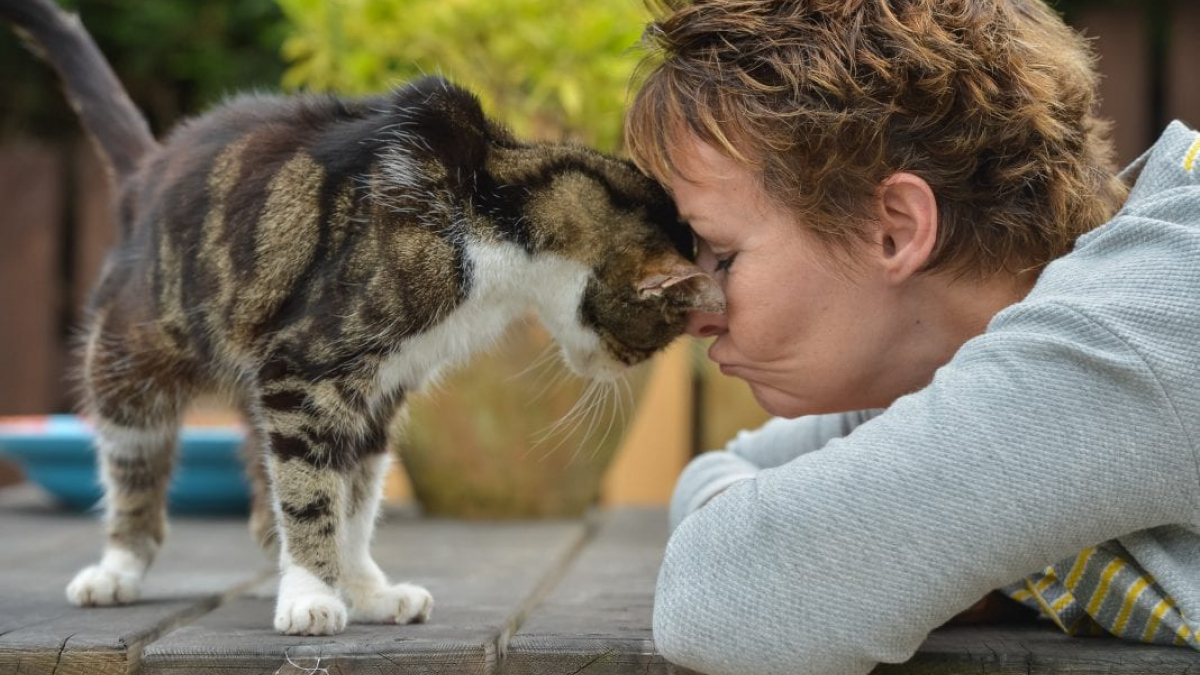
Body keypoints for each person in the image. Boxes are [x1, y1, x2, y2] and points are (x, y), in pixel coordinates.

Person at [622, 0, 1200, 674]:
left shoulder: (1131, 326)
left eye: (722, 254)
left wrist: (860, 549)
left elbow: (719, 596)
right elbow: (723, 478)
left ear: (895, 228)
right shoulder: (958, 356)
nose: (697, 313)